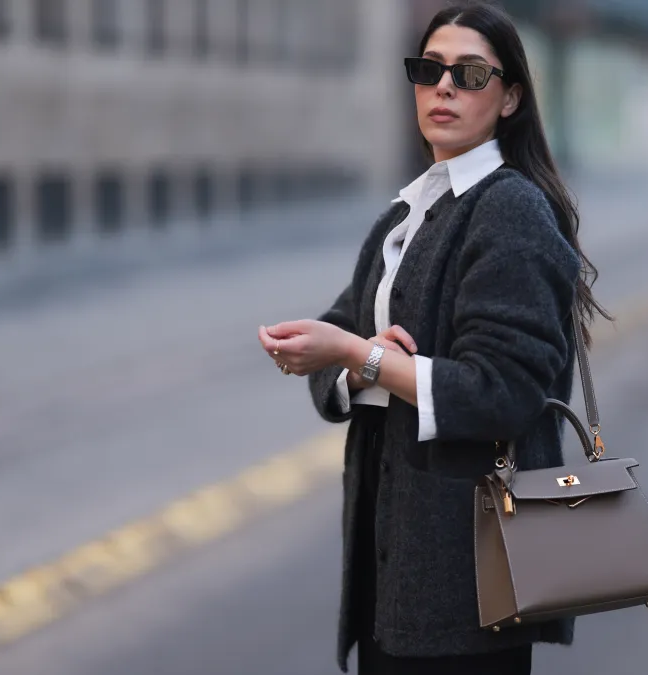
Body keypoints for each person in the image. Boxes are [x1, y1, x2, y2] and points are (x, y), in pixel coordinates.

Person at [257, 2, 609, 672]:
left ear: (509, 97)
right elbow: (343, 338)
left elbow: (503, 392)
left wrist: (363, 356)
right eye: (430, 69)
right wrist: (352, 361)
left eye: (470, 73)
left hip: (469, 583)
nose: (443, 86)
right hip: (394, 575)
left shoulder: (510, 210)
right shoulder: (410, 210)